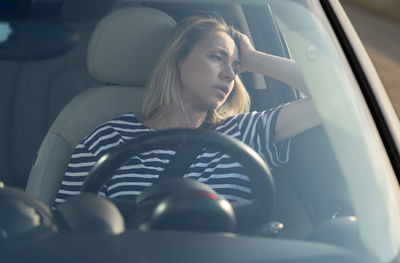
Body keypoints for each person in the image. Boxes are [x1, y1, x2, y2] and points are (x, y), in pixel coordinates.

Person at [54, 15, 320, 207]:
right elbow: (68, 235)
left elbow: (336, 96)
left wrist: (254, 59)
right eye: (217, 57)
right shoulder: (108, 139)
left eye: (236, 67)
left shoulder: (244, 132)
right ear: (178, 60)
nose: (229, 74)